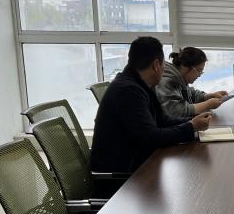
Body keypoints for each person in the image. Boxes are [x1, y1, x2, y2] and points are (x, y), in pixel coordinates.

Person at [91, 37, 213, 174]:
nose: (165, 69)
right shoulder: (128, 91)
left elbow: (161, 121)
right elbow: (151, 137)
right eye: (163, 65)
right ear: (156, 65)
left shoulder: (141, 84)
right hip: (121, 174)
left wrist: (191, 122)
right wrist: (191, 127)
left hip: (134, 162)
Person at [156, 47, 229, 118]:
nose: (199, 75)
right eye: (199, 70)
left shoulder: (180, 79)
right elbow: (176, 111)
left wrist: (210, 96)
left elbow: (191, 95)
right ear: (186, 68)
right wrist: (207, 105)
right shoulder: (167, 82)